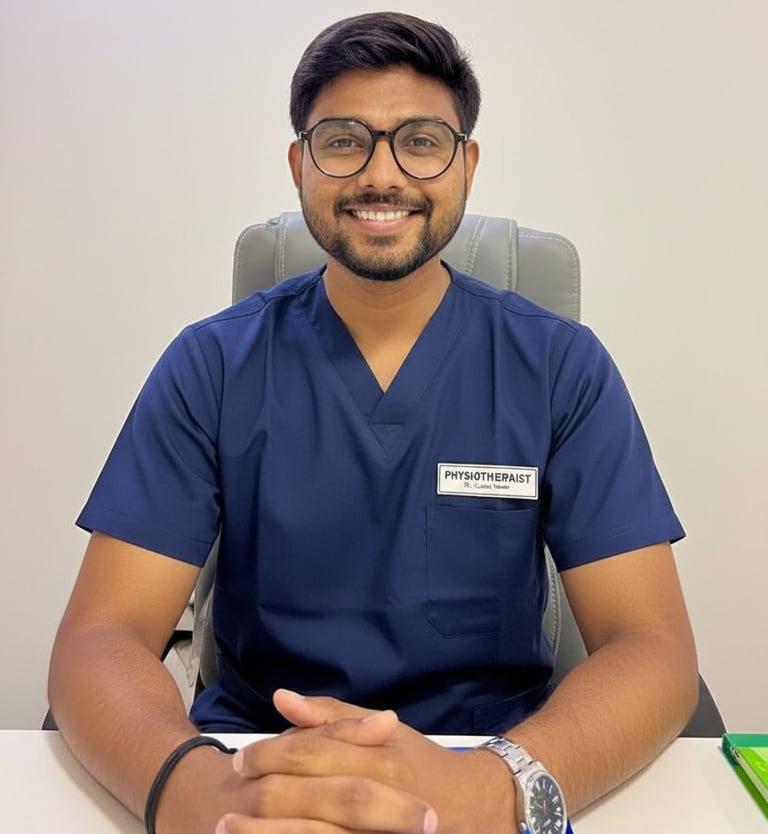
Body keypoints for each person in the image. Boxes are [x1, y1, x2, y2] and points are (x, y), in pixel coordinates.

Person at [48, 11, 699, 834]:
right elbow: (102, 636)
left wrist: (496, 791)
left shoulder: (560, 367)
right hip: (257, 773)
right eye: (344, 140)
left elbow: (652, 647)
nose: (381, 174)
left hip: (484, 764)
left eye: (420, 141)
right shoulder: (212, 365)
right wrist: (191, 791)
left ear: (466, 163)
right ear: (300, 163)